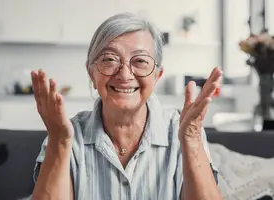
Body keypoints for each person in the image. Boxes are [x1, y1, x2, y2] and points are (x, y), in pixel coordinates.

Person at [31, 12, 222, 200]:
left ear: (157, 75)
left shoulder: (183, 131)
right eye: (109, 59)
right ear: (91, 72)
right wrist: (59, 140)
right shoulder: (63, 134)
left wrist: (192, 139)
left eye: (140, 61)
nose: (124, 75)